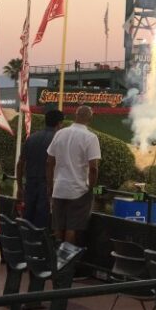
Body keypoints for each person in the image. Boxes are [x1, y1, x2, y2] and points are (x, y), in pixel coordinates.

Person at [46, 105, 101, 246]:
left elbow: (49, 162)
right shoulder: (91, 137)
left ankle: (57, 260)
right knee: (72, 228)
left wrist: (51, 185)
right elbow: (93, 168)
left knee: (58, 227)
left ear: (75, 116)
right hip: (78, 190)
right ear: (90, 119)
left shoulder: (60, 133)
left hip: (59, 188)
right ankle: (67, 263)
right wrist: (91, 188)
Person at [16, 108, 64, 228]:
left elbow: (20, 163)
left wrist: (19, 187)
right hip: (47, 186)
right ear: (59, 123)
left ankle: (26, 244)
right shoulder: (58, 139)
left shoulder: (31, 138)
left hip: (30, 184)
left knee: (27, 220)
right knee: (42, 222)